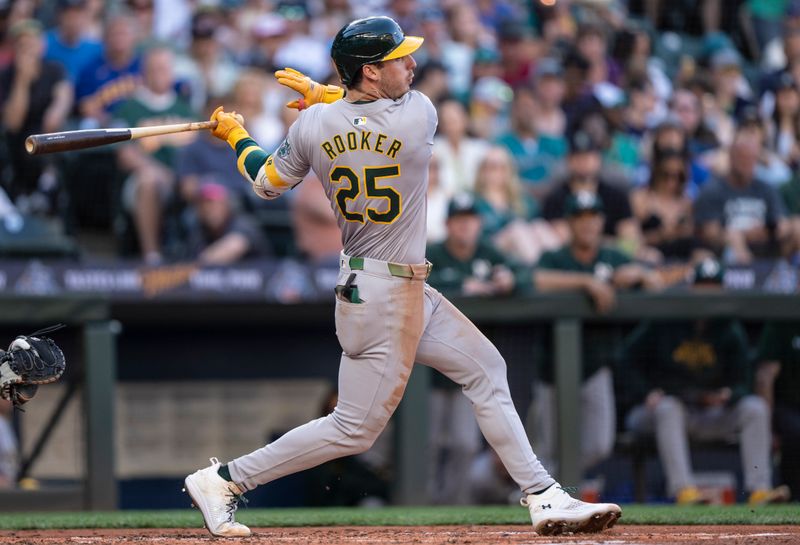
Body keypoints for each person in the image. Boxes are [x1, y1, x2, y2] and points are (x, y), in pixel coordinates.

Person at [183, 16, 621, 538]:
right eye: (397, 59)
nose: (411, 64)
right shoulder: (418, 115)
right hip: (386, 293)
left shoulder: (313, 126)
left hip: (388, 285)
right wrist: (325, 94)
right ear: (369, 72)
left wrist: (237, 133)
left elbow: (266, 181)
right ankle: (225, 480)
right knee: (353, 429)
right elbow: (363, 117)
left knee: (485, 369)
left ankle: (544, 495)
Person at [620, 258, 790, 505]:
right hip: (662, 411)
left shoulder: (728, 328)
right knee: (668, 407)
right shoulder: (666, 319)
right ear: (692, 289)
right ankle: (684, 491)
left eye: (713, 287)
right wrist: (645, 393)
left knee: (755, 408)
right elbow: (626, 359)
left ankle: (759, 490)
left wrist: (728, 394)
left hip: (710, 412)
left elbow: (744, 379)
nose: (707, 293)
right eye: (702, 286)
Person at [532, 191, 662, 484]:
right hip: (553, 370)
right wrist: (587, 282)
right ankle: (543, 495)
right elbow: (535, 279)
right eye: (580, 218)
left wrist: (639, 272)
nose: (587, 225)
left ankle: (557, 488)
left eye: (592, 218)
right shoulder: (556, 256)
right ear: (569, 223)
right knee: (549, 449)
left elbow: (657, 283)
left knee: (599, 445)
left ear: (602, 221)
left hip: (594, 367)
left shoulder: (613, 256)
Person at [114, 46, 196, 264]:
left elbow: (198, 149)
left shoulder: (185, 109)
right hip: (143, 181)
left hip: (181, 179)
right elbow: (124, 154)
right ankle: (152, 255)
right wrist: (159, 172)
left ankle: (201, 257)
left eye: (165, 69)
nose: (160, 74)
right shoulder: (129, 109)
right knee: (149, 181)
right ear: (144, 73)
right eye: (155, 69)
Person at [0, 19, 72, 209]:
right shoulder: (6, 76)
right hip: (17, 145)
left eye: (32, 43)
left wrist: (56, 110)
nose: (28, 50)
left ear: (42, 45)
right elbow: (13, 122)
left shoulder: (54, 69)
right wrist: (22, 80)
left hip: (50, 138)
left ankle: (47, 185)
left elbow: (64, 95)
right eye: (22, 45)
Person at [694, 127, 792, 264]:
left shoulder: (766, 189)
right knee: (734, 238)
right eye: (742, 157)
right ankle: (749, 278)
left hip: (765, 248)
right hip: (725, 253)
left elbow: (781, 222)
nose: (747, 163)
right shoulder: (713, 189)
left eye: (752, 158)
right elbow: (710, 232)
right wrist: (743, 235)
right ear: (731, 157)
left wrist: (778, 228)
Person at [756, 321, 800, 500]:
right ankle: (794, 493)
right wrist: (770, 425)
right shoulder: (781, 321)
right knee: (796, 430)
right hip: (788, 405)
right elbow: (764, 376)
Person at [184, 182, 270, 265]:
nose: (208, 209)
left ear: (227, 204)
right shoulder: (199, 230)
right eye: (203, 204)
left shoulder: (243, 223)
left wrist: (191, 268)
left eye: (214, 204)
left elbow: (232, 248)